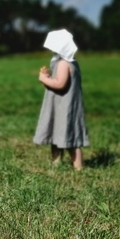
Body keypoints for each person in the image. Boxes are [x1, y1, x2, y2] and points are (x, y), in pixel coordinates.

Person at [33, 29, 89, 171]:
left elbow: (60, 84)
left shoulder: (63, 64)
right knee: (59, 135)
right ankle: (59, 165)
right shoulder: (71, 62)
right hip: (62, 105)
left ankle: (77, 167)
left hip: (64, 106)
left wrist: (44, 79)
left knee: (69, 138)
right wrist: (49, 75)